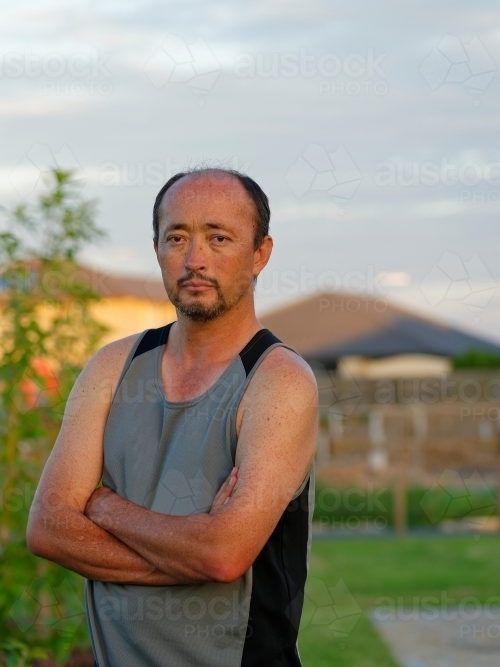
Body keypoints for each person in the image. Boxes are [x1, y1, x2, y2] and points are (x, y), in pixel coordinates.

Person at [27, 168, 319, 666]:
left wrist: (104, 509)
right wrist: (189, 553)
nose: (195, 259)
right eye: (177, 237)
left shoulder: (278, 382)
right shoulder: (112, 367)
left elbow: (223, 556)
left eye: (218, 238)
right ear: (157, 248)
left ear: (260, 254)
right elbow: (49, 529)